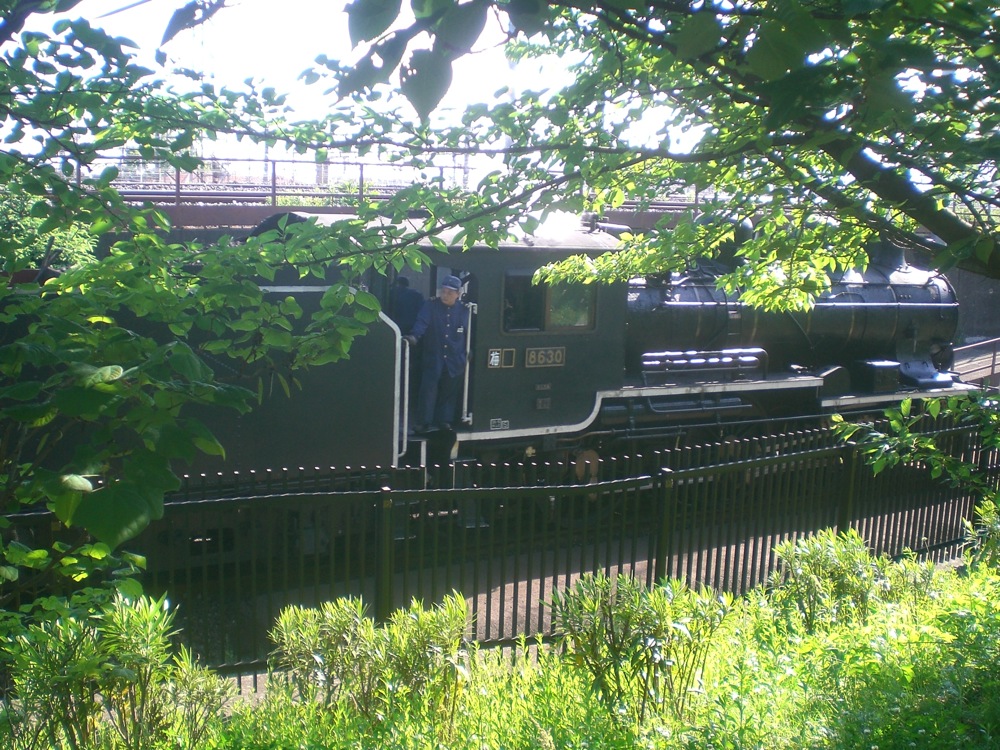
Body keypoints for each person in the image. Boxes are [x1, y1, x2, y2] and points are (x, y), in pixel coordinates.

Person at [404, 275, 469, 433]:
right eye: (444, 291)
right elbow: (422, 322)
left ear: (458, 294)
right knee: (428, 389)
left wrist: (469, 351)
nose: (445, 295)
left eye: (449, 292)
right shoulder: (431, 305)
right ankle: (423, 422)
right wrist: (414, 336)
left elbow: (469, 332)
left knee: (449, 392)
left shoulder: (464, 310)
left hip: (455, 358)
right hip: (434, 356)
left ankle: (444, 421)